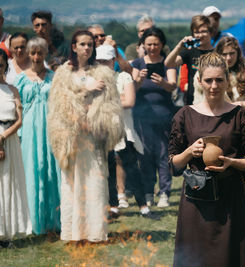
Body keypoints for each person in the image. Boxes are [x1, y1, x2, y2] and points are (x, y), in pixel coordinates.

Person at [169, 52, 245, 266]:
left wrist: (231, 163)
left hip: (232, 200)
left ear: (227, 80)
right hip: (196, 201)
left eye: (219, 80)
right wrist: (189, 152)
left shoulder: (241, 116)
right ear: (199, 81)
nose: (213, 86)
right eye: (208, 80)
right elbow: (173, 165)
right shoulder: (184, 116)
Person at [48, 30, 124, 242]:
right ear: (74, 46)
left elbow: (111, 106)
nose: (86, 48)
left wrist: (96, 123)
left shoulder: (103, 73)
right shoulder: (63, 73)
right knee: (72, 184)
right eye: (82, 44)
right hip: (72, 138)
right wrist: (84, 88)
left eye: (90, 44)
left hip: (92, 137)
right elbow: (58, 104)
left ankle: (94, 232)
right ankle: (73, 232)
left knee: (95, 183)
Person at [193, 36, 245, 200]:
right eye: (224, 54)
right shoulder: (206, 76)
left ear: (238, 53)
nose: (228, 58)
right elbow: (203, 106)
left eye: (232, 53)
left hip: (243, 134)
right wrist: (240, 104)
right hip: (215, 135)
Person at [95, 44, 159, 220]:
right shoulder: (94, 80)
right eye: (99, 61)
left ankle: (143, 207)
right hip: (103, 130)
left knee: (131, 168)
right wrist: (118, 99)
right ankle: (113, 206)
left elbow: (130, 101)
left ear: (113, 61)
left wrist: (105, 101)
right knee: (108, 170)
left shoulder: (123, 77)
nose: (102, 65)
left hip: (124, 129)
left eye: (105, 61)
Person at [13, 37, 61, 235]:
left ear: (45, 54)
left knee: (52, 172)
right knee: (31, 171)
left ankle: (54, 220)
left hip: (50, 128)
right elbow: (17, 108)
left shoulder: (54, 77)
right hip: (30, 130)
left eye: (39, 52)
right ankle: (33, 221)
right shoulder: (21, 79)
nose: (36, 57)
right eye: (32, 53)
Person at [132, 27, 177, 208]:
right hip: (142, 117)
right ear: (143, 45)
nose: (152, 48)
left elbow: (173, 86)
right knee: (145, 156)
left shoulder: (168, 63)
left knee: (163, 155)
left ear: (162, 45)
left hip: (164, 116)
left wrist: (163, 82)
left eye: (156, 44)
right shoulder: (137, 64)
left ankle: (164, 192)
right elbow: (131, 90)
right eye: (149, 44)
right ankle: (148, 192)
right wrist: (139, 81)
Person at [0, 48, 31, 248]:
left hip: (9, 137)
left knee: (8, 185)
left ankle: (6, 234)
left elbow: (19, 119)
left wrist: (3, 137)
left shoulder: (12, 90)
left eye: (1, 65)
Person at [165, 15, 214, 105]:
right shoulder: (190, 52)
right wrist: (179, 46)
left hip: (213, 102)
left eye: (203, 31)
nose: (200, 35)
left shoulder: (217, 52)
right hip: (193, 102)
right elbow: (169, 64)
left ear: (210, 32)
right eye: (196, 32)